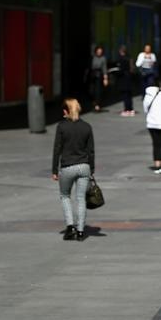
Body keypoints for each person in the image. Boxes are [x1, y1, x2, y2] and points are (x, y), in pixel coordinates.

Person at [51, 98, 95, 242]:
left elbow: (57, 149)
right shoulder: (87, 127)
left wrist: (54, 170)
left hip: (68, 166)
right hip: (84, 166)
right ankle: (81, 231)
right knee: (81, 198)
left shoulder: (62, 127)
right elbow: (91, 151)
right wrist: (92, 169)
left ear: (65, 111)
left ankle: (70, 227)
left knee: (65, 196)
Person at [116, 45, 134, 116]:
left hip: (123, 78)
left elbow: (120, 70)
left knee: (125, 95)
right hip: (129, 78)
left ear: (121, 51)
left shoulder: (121, 59)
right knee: (129, 94)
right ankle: (131, 109)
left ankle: (126, 110)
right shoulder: (129, 58)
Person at [90, 46, 108, 112]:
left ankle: (97, 105)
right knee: (91, 90)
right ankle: (94, 102)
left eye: (100, 51)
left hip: (99, 75)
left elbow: (104, 68)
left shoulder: (103, 58)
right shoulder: (93, 57)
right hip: (92, 75)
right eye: (98, 51)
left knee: (98, 91)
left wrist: (105, 78)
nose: (99, 53)